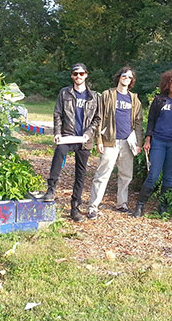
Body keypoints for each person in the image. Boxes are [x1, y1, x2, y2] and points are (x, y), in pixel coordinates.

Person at [132, 69, 172, 217]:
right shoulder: (159, 100)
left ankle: (163, 206)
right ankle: (140, 205)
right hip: (159, 142)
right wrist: (148, 139)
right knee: (153, 175)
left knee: (168, 176)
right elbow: (152, 121)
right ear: (168, 84)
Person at [44, 63, 101, 222]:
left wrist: (89, 133)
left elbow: (97, 119)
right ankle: (51, 189)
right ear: (71, 76)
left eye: (81, 74)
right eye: (75, 74)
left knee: (80, 174)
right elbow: (57, 114)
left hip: (84, 140)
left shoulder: (94, 96)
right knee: (58, 156)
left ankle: (75, 207)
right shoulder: (64, 93)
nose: (78, 76)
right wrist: (57, 132)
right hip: (67, 135)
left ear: (86, 75)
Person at [87, 67, 143, 219]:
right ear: (119, 77)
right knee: (102, 174)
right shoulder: (107, 95)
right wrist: (99, 139)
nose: (126, 78)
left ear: (132, 81)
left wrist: (138, 143)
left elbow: (138, 122)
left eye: (130, 77)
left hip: (127, 142)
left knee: (126, 175)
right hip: (109, 141)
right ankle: (93, 206)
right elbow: (99, 118)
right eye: (124, 75)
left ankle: (122, 204)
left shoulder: (134, 99)